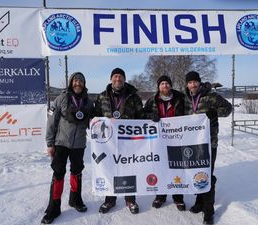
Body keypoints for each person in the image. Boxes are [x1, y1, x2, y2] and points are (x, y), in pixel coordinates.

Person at [41, 72, 95, 224]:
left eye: (81, 81)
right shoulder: (61, 98)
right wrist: (50, 143)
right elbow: (51, 122)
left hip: (79, 144)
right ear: (71, 82)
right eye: (76, 80)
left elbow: (95, 122)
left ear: (84, 84)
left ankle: (75, 200)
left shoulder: (89, 102)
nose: (78, 83)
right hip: (61, 143)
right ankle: (53, 207)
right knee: (58, 173)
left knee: (77, 172)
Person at [184, 71, 232, 225]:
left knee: (207, 174)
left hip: (209, 143)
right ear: (187, 85)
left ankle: (208, 211)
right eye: (190, 82)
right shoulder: (185, 100)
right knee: (196, 173)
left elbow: (228, 108)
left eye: (195, 82)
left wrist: (214, 113)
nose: (193, 85)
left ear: (199, 82)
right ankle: (199, 202)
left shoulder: (211, 96)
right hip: (192, 144)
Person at [94, 68, 143, 214]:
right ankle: (109, 200)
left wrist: (152, 117)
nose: (118, 79)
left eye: (120, 77)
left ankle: (130, 199)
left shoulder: (133, 97)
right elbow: (96, 117)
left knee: (128, 169)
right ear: (111, 79)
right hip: (108, 143)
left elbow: (141, 117)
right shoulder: (102, 97)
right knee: (110, 169)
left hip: (128, 141)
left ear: (124, 79)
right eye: (115, 76)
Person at [143, 75, 186, 211]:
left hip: (176, 138)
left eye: (167, 83)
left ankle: (178, 197)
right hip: (158, 140)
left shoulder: (180, 99)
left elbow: (190, 113)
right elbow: (142, 114)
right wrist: (150, 116)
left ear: (171, 85)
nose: (165, 86)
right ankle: (160, 196)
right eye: (162, 83)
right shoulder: (152, 100)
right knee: (159, 167)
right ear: (158, 86)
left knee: (176, 166)